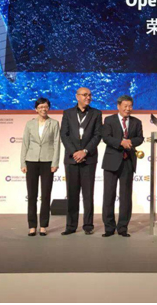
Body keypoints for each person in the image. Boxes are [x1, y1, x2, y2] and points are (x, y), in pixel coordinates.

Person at [60, 87, 103, 235]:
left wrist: (84, 151)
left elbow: (97, 135)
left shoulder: (96, 113)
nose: (88, 97)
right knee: (72, 194)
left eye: (90, 95)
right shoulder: (68, 113)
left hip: (88, 158)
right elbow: (64, 135)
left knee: (88, 194)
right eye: (85, 95)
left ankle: (88, 225)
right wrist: (74, 152)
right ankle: (71, 226)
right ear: (77, 96)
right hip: (71, 159)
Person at [101, 95, 144, 237]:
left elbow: (140, 138)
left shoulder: (136, 122)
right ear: (118, 106)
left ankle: (123, 228)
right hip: (111, 162)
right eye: (125, 106)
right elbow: (106, 137)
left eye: (130, 106)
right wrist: (121, 142)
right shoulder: (109, 120)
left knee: (126, 197)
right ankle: (109, 228)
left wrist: (130, 141)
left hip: (128, 162)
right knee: (109, 195)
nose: (128, 109)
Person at [20, 97, 60, 236]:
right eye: (41, 107)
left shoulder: (54, 123)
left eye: (46, 107)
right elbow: (25, 143)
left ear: (49, 108)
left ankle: (43, 225)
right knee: (32, 195)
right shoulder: (29, 124)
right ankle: (32, 226)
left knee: (46, 194)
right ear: (36, 109)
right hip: (31, 161)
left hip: (47, 161)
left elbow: (56, 144)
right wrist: (23, 162)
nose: (43, 109)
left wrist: (55, 163)